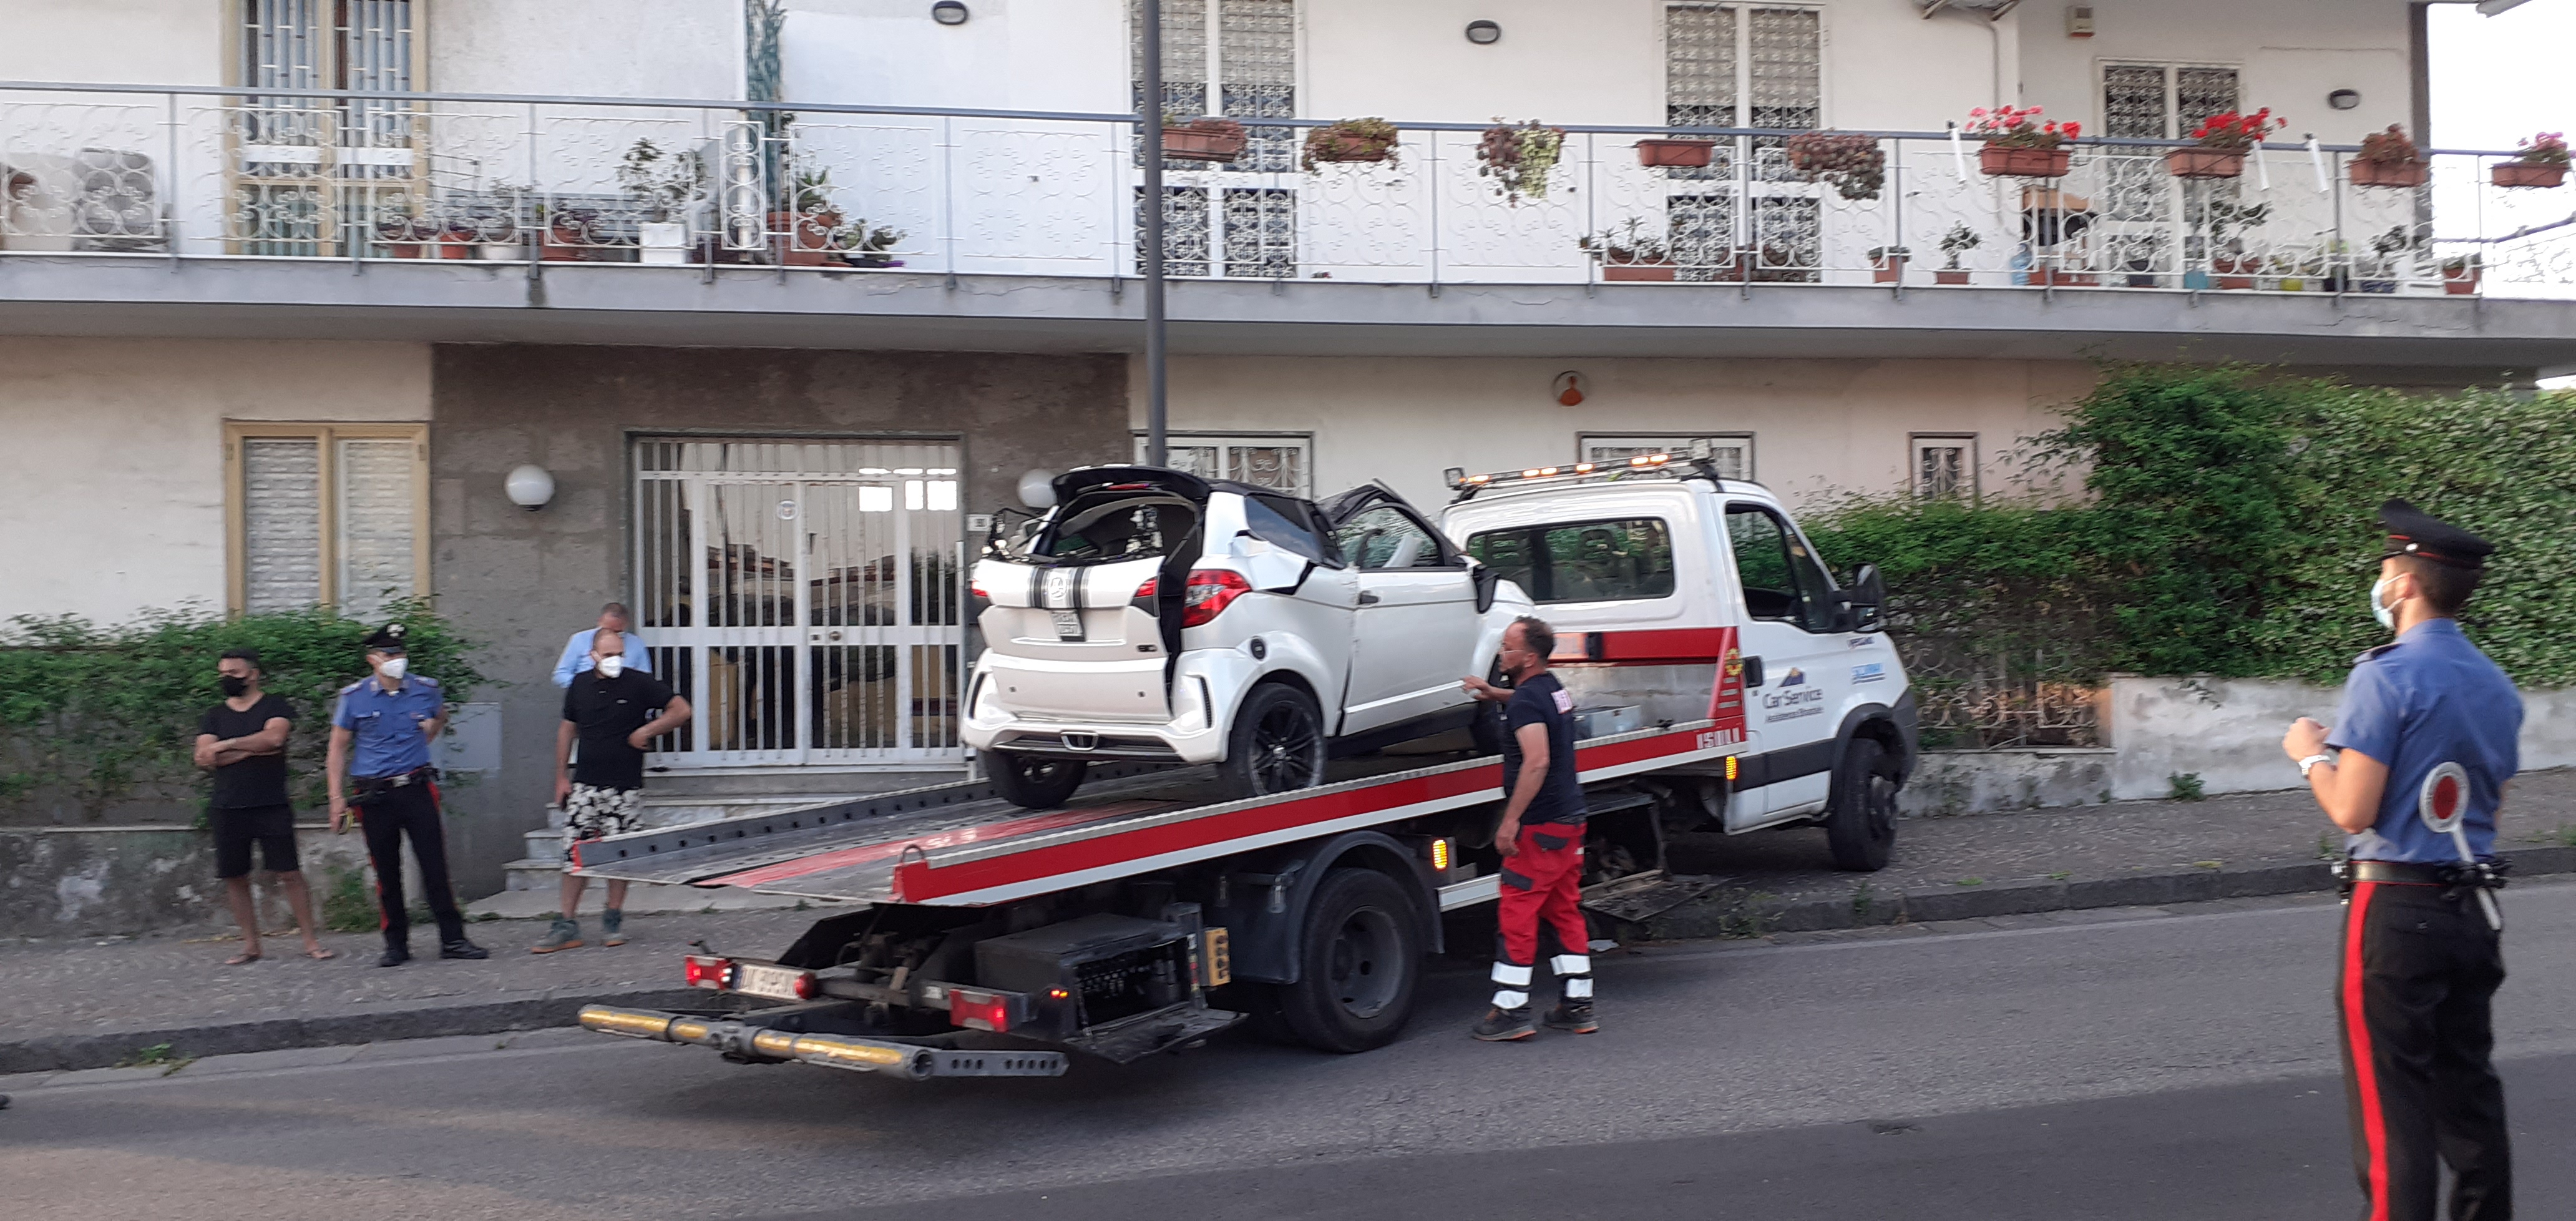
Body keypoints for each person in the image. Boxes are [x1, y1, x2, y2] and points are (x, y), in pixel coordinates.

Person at [2280, 499, 2516, 1221]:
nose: (2381, 582)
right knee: (2469, 1096)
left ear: (2407, 584)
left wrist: (2310, 754)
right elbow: (2487, 803)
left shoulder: (2385, 676)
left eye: (2386, 569)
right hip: (2473, 907)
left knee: (2394, 1113)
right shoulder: (2498, 686)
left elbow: (2354, 810)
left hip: (2397, 909)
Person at [1459, 615, 1594, 1041]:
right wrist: (1493, 693)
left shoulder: (1527, 702)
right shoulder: (1551, 689)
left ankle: (1512, 1010)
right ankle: (1577, 1006)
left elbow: (1537, 761)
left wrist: (1511, 821)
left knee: (1518, 912)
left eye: (1508, 647)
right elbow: (1528, 703)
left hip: (1540, 825)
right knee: (1563, 909)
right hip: (1570, 821)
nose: (1502, 653)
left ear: (1528, 656)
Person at [327, 623, 487, 968]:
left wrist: (432, 728)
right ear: (373, 659)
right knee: (387, 872)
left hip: (416, 788)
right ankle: (396, 944)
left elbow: (439, 716)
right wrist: (336, 799)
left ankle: (453, 939)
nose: (396, 659)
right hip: (375, 794)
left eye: (400, 653)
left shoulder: (424, 689)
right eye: (388, 654)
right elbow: (337, 749)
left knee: (435, 867)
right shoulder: (354, 698)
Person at [535, 630, 692, 953]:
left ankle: (613, 918)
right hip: (586, 783)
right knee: (575, 854)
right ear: (593, 656)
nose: (614, 660)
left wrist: (647, 730)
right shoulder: (580, 685)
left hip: (625, 786)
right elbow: (567, 728)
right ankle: (566, 923)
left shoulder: (638, 682)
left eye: (619, 653)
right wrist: (561, 776)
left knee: (621, 855)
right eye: (608, 655)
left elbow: (680, 710)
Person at [193, 649, 331, 965]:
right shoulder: (214, 715)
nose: (227, 678)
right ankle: (250, 946)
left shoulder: (275, 705)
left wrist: (226, 746)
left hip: (271, 804)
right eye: (223, 673)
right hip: (227, 806)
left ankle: (311, 942)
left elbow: (274, 740)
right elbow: (203, 759)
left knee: (290, 874)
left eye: (235, 673)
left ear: (253, 674)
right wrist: (251, 747)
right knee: (235, 876)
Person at [553, 602, 651, 689]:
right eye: (606, 630)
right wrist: (584, 686)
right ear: (600, 621)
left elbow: (646, 677)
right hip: (588, 695)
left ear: (626, 625)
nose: (611, 635)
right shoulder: (580, 639)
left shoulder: (636, 643)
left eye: (617, 632)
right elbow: (561, 674)